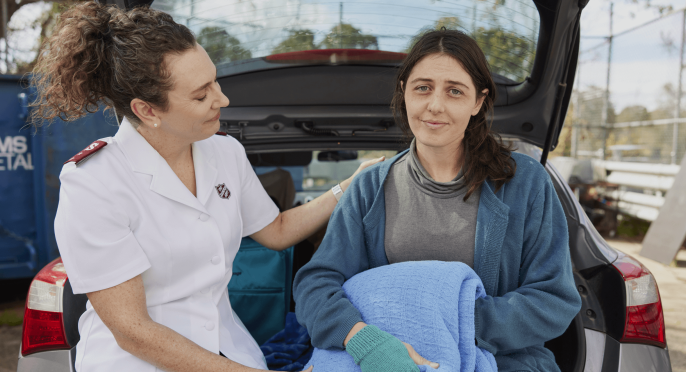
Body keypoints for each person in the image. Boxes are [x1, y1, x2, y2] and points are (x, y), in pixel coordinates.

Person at [31, 2, 383, 372]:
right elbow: (133, 332)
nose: (223, 99)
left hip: (229, 351)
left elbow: (276, 230)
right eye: (201, 95)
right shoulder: (93, 183)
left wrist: (349, 185)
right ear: (147, 110)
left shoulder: (225, 151)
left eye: (216, 81)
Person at [293, 29, 582, 372]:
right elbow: (315, 283)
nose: (435, 105)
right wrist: (364, 340)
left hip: (504, 362)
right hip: (388, 360)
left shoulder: (526, 182)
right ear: (404, 93)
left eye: (455, 91)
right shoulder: (369, 187)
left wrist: (445, 324)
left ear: (478, 101)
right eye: (423, 87)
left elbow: (553, 299)